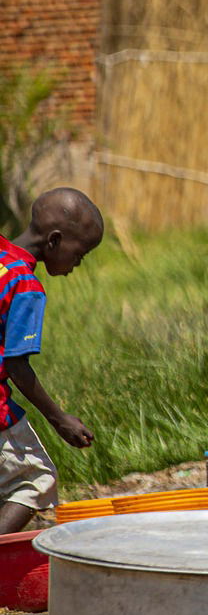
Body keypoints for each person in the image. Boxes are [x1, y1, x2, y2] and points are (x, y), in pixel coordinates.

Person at [0, 189, 102, 533]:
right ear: (56, 241)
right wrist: (60, 419)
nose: (78, 263)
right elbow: (16, 366)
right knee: (35, 481)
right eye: (81, 253)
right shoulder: (24, 285)